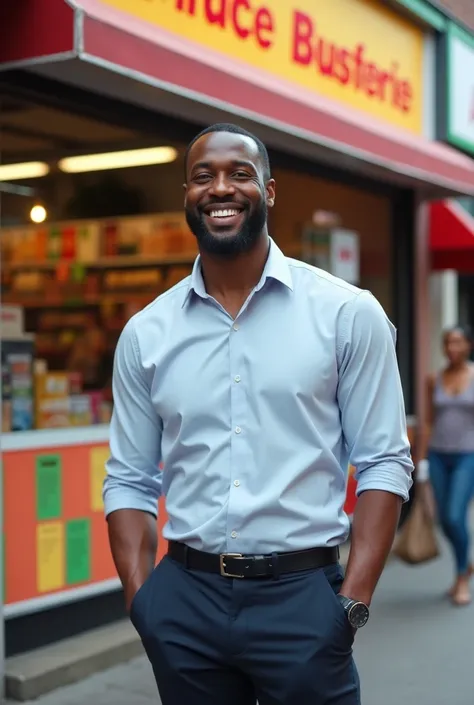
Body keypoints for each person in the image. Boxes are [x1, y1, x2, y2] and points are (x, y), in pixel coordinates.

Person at [103, 123, 413, 705]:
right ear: (187, 196)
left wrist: (352, 604)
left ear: (268, 192)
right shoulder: (146, 333)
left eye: (239, 174)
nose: (221, 187)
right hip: (184, 602)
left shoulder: (347, 314)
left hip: (304, 600)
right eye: (203, 176)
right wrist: (144, 602)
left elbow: (384, 463)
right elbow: (129, 478)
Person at [418, 324, 474, 606]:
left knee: (454, 515)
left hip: (468, 455)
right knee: (442, 519)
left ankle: (461, 577)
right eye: (449, 343)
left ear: (468, 346)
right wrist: (421, 460)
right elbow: (427, 422)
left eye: (459, 342)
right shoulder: (434, 379)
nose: (453, 348)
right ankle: (465, 560)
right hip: (439, 455)